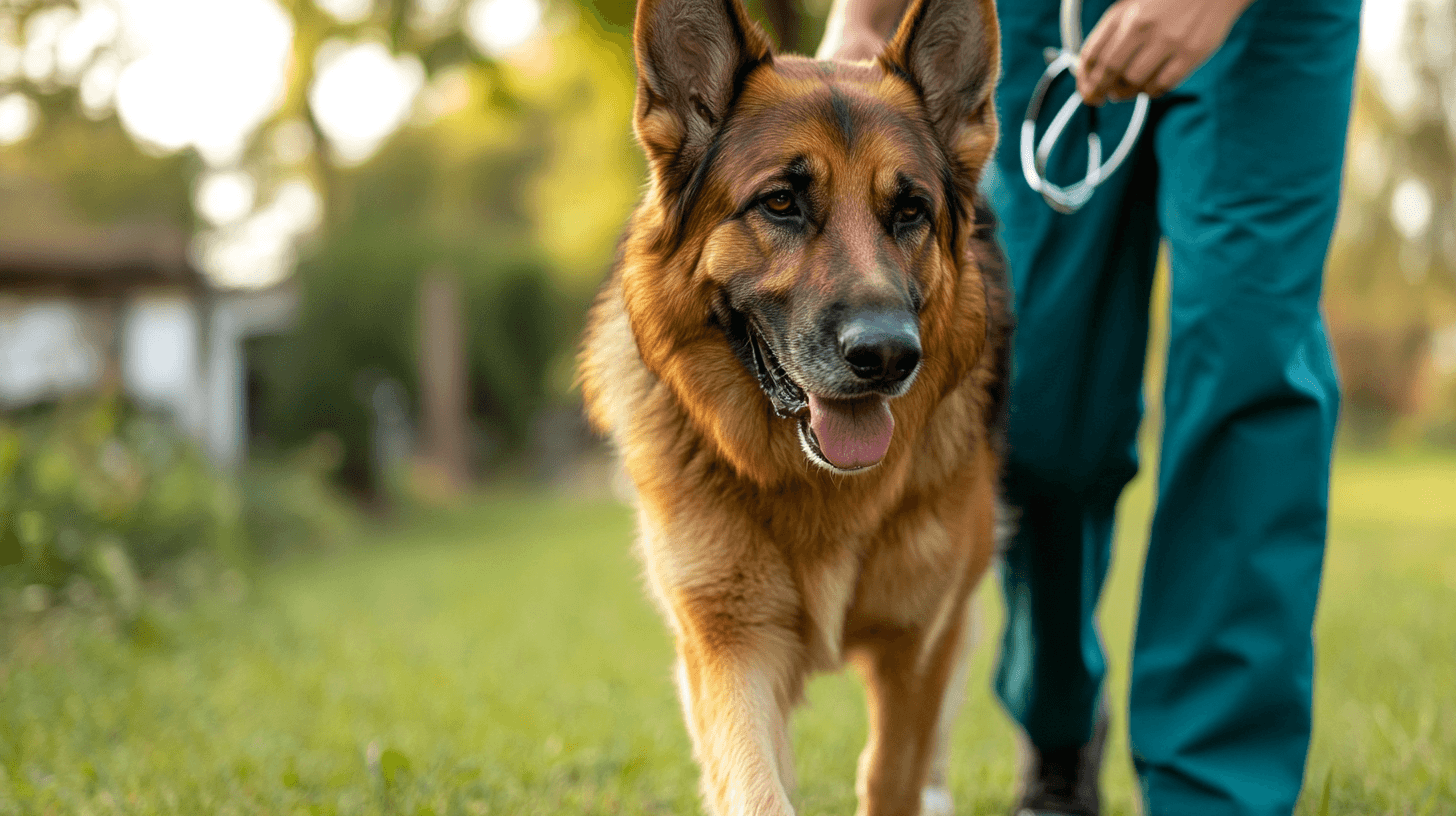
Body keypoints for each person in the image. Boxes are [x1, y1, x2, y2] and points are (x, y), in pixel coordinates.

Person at [818, 0, 1360, 813]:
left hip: (1268, 26)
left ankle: (1215, 790)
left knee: (1245, 359)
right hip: (1049, 20)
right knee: (1035, 402)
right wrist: (864, 13)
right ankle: (1060, 711)